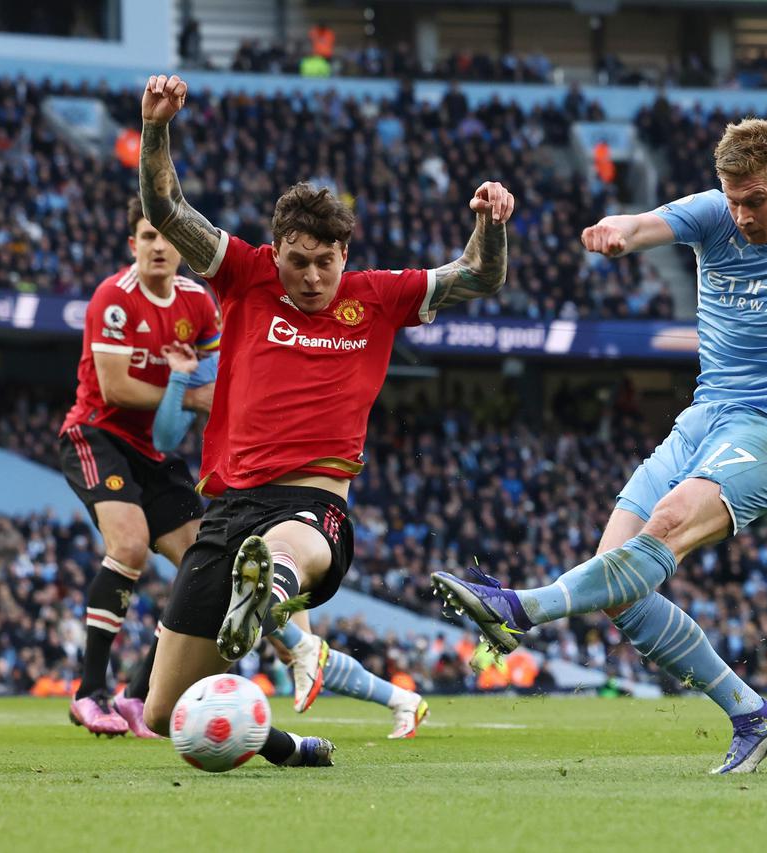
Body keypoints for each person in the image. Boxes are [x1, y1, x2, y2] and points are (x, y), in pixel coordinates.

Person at [433, 118, 767, 774]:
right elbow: (647, 221)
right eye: (731, 198)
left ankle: (520, 606)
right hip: (702, 420)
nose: (740, 215)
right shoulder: (713, 215)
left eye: (755, 201)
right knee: (618, 584)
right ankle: (752, 714)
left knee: (667, 524)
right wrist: (618, 230)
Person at [136, 73, 513, 768]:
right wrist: (157, 125)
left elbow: (479, 276)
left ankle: (272, 592)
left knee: (287, 544)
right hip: (224, 512)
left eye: (326, 262)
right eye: (299, 261)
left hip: (315, 504)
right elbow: (165, 205)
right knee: (165, 713)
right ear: (276, 251)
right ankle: (287, 743)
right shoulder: (243, 274)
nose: (311, 277)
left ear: (346, 254)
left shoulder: (378, 297)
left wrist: (490, 224)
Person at [153, 342, 430, 739]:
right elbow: (165, 436)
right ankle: (400, 700)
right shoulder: (212, 360)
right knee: (166, 712)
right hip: (229, 505)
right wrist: (181, 380)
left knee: (289, 634)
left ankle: (394, 700)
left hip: (292, 505)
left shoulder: (289, 340)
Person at [57, 198, 220, 738]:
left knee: (205, 565)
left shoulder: (200, 304)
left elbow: (217, 382)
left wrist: (202, 397)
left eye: (167, 237)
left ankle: (138, 694)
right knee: (128, 545)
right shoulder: (114, 298)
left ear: (183, 247)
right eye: (147, 236)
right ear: (133, 245)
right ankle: (89, 692)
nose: (157, 246)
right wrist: (186, 394)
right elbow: (115, 388)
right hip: (97, 433)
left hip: (153, 450)